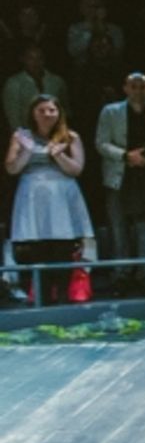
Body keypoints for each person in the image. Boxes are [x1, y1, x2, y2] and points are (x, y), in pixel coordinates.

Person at [5, 95, 93, 303]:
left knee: (63, 246)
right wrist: (26, 152)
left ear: (59, 112)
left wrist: (59, 155)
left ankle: (63, 296)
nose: (47, 114)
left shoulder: (70, 136)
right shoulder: (21, 136)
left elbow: (77, 169)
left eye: (51, 110)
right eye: (41, 110)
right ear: (33, 113)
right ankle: (41, 297)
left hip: (61, 196)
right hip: (33, 195)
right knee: (38, 248)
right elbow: (11, 168)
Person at [94, 73, 145, 292]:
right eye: (133, 86)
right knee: (118, 226)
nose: (138, 90)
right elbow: (101, 143)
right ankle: (121, 273)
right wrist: (126, 156)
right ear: (125, 88)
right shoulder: (110, 112)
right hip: (118, 175)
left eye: (142, 86)